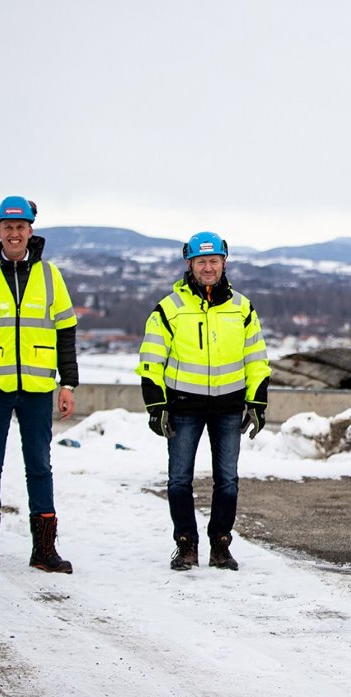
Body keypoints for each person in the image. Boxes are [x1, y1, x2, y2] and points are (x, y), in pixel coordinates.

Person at [0, 196, 79, 574]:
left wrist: (67, 383)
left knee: (39, 466)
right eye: (8, 227)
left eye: (21, 226)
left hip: (38, 389)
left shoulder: (51, 275)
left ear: (30, 231)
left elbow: (66, 332)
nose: (14, 233)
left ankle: (44, 550)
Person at [136, 232, 270, 571]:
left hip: (228, 406)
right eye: (201, 261)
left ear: (224, 263)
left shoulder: (241, 307)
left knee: (228, 479)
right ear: (189, 264)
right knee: (179, 479)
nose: (207, 267)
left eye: (213, 261)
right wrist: (156, 406)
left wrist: (256, 402)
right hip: (184, 406)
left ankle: (220, 546)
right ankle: (186, 546)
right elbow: (151, 359)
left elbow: (256, 358)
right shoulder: (170, 308)